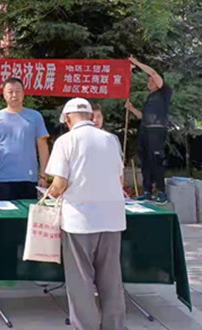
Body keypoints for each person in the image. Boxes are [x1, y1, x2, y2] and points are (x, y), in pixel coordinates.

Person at [46, 98, 126, 330]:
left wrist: (50, 194)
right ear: (91, 116)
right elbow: (118, 176)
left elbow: (60, 183)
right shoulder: (110, 139)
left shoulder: (66, 141)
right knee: (111, 278)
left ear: (68, 119)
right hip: (112, 218)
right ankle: (114, 325)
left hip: (79, 220)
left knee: (81, 280)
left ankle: (86, 326)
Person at [0, 77, 50, 200]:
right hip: (4, 178)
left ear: (23, 93)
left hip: (29, 177)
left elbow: (42, 147)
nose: (14, 95)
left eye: (18, 91)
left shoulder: (35, 116)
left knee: (27, 211)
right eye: (10, 92)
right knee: (6, 212)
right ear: (4, 94)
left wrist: (43, 175)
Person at [125, 57, 173, 204]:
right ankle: (147, 191)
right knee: (145, 161)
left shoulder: (164, 92)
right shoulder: (150, 98)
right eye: (148, 80)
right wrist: (132, 109)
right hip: (144, 130)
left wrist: (136, 63)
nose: (149, 82)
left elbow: (152, 72)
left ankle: (161, 192)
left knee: (155, 160)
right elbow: (143, 116)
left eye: (152, 80)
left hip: (156, 131)